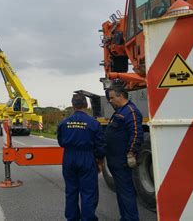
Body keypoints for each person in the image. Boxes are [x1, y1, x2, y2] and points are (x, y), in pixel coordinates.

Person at [57, 93, 105, 221]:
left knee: (71, 191)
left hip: (69, 157)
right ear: (86, 105)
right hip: (87, 158)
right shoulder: (94, 123)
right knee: (88, 192)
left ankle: (72, 218)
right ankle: (88, 218)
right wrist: (99, 161)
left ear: (73, 105)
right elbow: (100, 146)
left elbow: (61, 142)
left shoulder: (63, 123)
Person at [105, 87, 144, 221]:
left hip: (122, 161)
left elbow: (136, 133)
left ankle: (131, 219)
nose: (110, 101)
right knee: (121, 193)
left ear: (121, 96)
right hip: (114, 160)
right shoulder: (119, 112)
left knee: (126, 193)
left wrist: (131, 153)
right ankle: (125, 218)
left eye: (112, 98)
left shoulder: (131, 111)